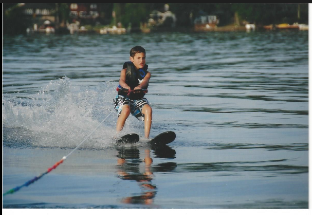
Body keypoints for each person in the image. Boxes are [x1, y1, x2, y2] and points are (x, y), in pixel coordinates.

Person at [114, 46, 152, 139]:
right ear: (132, 59)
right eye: (138, 58)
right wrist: (126, 87)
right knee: (126, 110)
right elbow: (121, 81)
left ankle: (147, 138)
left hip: (137, 99)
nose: (141, 60)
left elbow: (144, 82)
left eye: (143, 58)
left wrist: (139, 87)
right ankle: (116, 137)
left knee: (148, 110)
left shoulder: (147, 73)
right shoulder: (125, 70)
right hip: (123, 97)